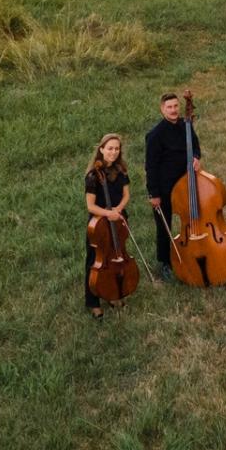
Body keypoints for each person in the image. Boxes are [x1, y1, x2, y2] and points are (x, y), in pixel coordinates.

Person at [143, 92, 199, 280]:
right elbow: (150, 167)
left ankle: (192, 249)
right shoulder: (155, 135)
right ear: (162, 109)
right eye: (170, 107)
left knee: (192, 216)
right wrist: (154, 194)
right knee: (164, 225)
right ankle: (165, 262)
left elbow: (196, 146)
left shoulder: (186, 125)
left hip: (186, 182)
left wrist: (197, 158)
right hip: (165, 186)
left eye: (176, 106)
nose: (174, 110)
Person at [84, 133, 132, 318]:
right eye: (110, 148)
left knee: (116, 256)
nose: (113, 152)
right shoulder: (92, 176)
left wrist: (118, 210)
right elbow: (90, 205)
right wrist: (109, 213)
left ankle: (112, 294)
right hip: (99, 224)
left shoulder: (121, 171)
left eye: (116, 149)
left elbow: (126, 195)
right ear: (101, 149)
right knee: (94, 262)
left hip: (118, 218)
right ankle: (92, 301)